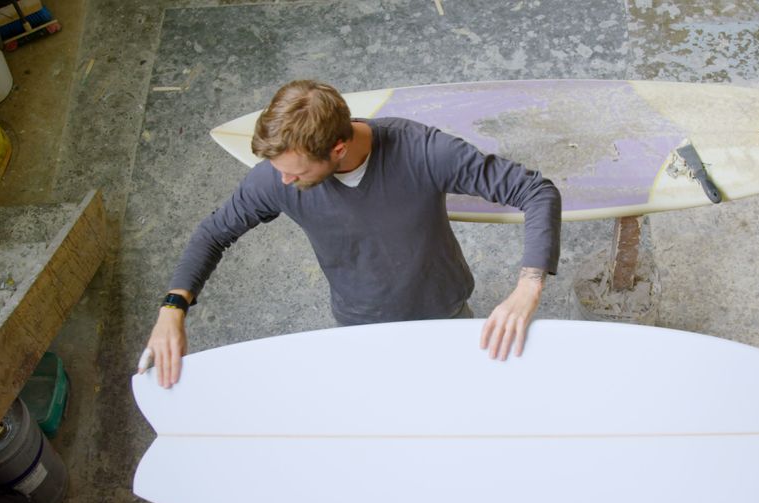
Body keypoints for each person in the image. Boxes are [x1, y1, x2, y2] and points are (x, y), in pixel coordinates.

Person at [140, 79, 561, 388]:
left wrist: (528, 287)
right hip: (359, 324)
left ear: (337, 149)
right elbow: (214, 233)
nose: (283, 182)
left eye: (296, 172)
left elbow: (536, 190)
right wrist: (172, 308)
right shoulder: (275, 178)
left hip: (443, 310)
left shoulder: (424, 152)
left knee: (458, 396)